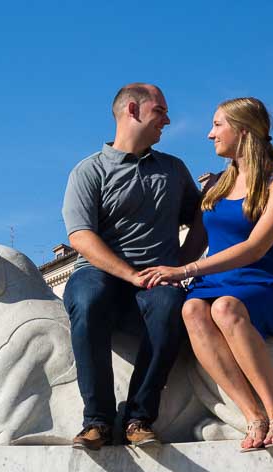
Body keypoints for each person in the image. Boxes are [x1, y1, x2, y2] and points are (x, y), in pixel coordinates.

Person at [139, 97, 273, 451]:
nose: (209, 134)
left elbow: (256, 248)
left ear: (242, 131)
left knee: (224, 308)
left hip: (262, 283)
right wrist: (153, 273)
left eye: (217, 125)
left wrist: (185, 270)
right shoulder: (215, 184)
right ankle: (253, 416)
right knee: (192, 309)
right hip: (213, 283)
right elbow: (193, 245)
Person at [63, 83, 206, 449]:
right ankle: (96, 420)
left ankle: (139, 418)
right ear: (132, 110)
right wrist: (129, 274)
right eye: (160, 111)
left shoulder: (174, 170)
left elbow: (204, 218)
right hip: (101, 275)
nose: (168, 120)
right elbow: (80, 236)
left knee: (172, 305)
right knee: (88, 298)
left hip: (157, 280)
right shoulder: (88, 170)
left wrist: (181, 265)